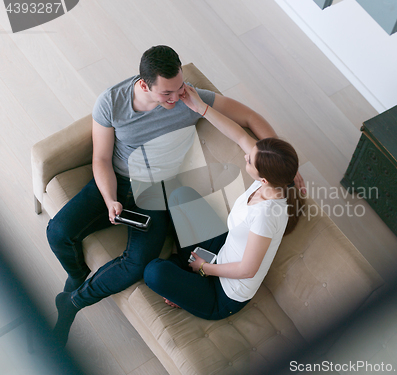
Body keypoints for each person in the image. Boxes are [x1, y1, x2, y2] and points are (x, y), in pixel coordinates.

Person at [47, 45, 304, 346]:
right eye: (167, 93)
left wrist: (276, 161)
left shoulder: (190, 99)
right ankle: (77, 274)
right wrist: (109, 198)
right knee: (58, 231)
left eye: (180, 87)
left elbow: (248, 117)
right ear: (144, 85)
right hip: (114, 179)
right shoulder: (112, 102)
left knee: (138, 263)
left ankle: (72, 303)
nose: (177, 97)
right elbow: (101, 159)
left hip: (154, 191)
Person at [143, 85, 305, 320]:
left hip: (224, 292)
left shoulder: (267, 215)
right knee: (180, 195)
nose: (246, 155)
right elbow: (240, 135)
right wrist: (201, 107)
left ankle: (185, 276)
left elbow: (247, 270)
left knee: (154, 273)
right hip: (221, 248)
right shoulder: (271, 181)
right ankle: (183, 273)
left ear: (264, 178)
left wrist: (203, 268)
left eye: (249, 161)